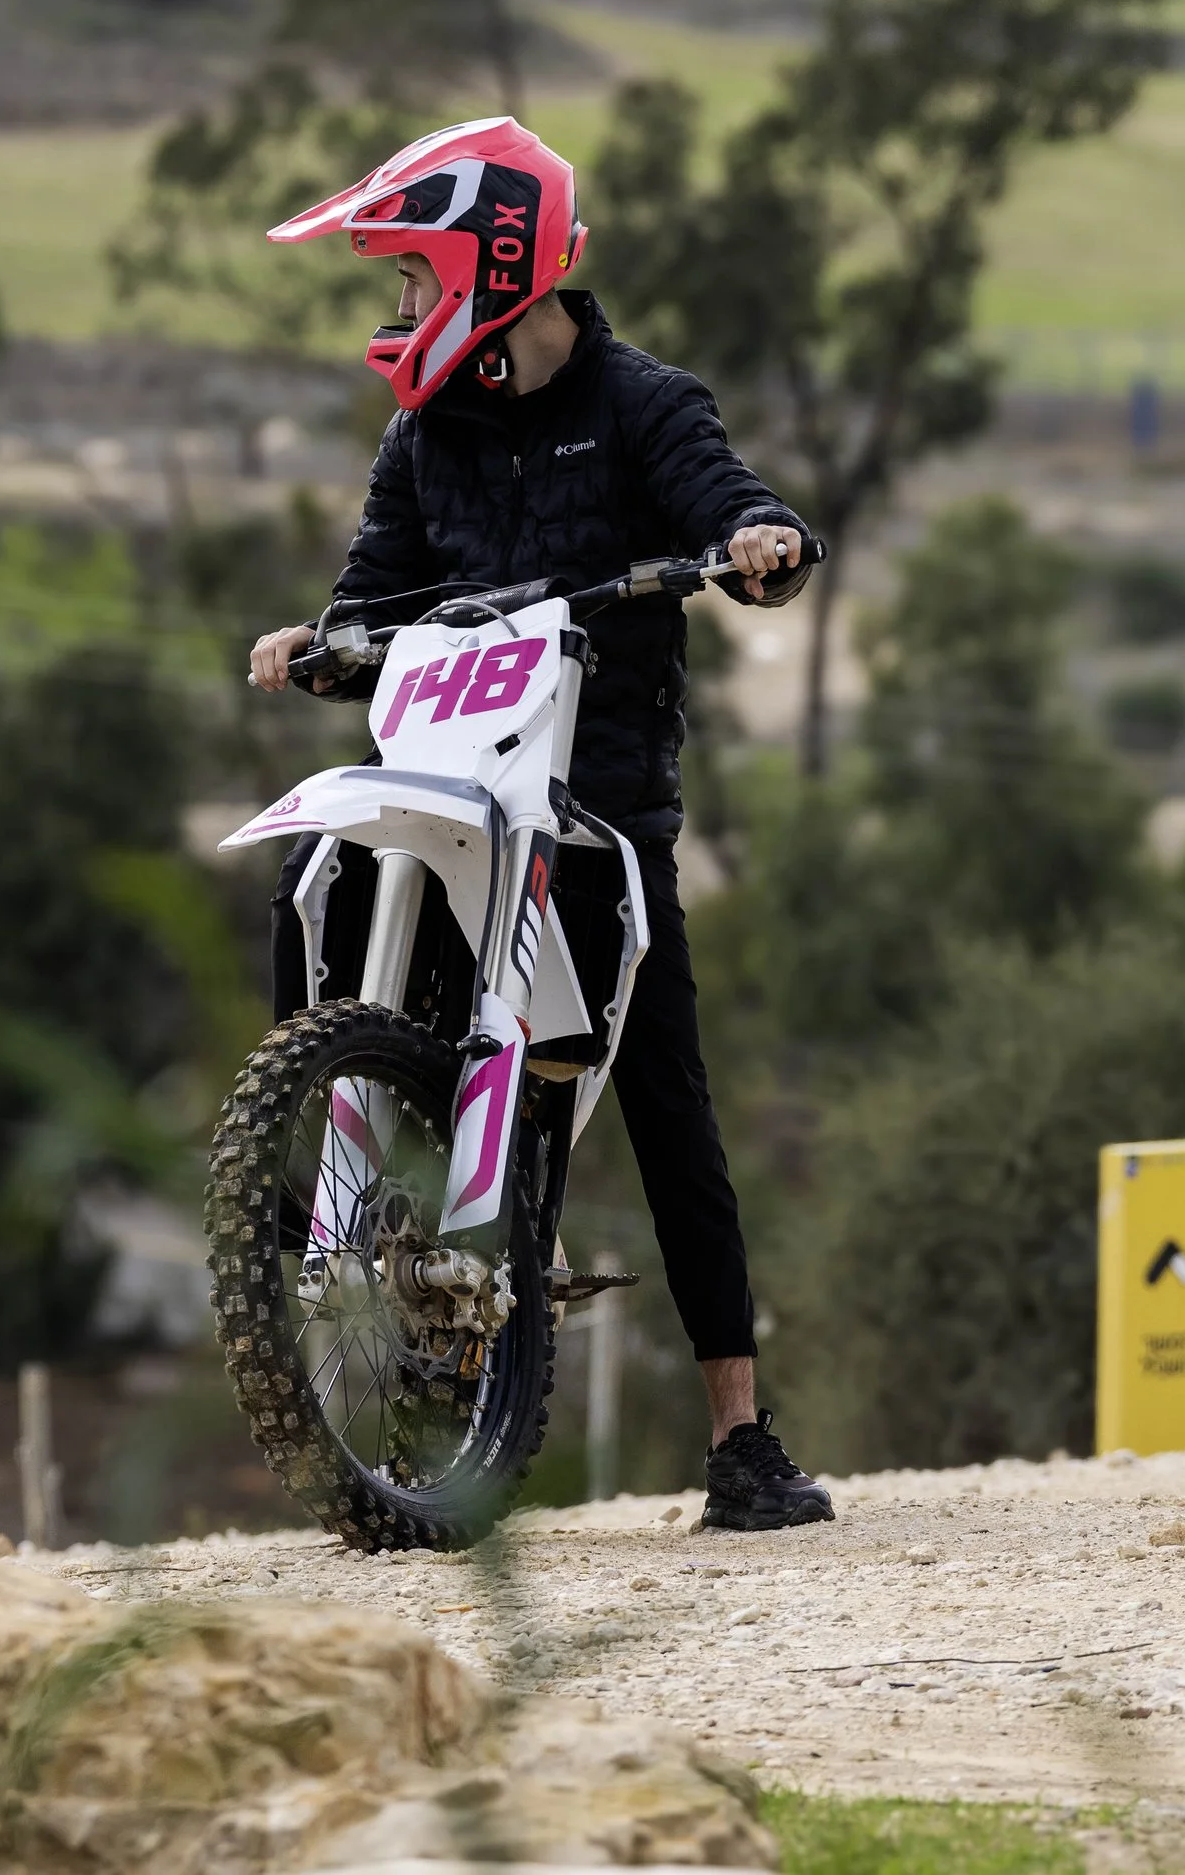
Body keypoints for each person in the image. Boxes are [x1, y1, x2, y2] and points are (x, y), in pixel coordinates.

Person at [245, 115, 834, 1532]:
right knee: (310, 886)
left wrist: (758, 542)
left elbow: (729, 503)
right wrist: (324, 641)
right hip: (445, 783)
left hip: (597, 802)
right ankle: (296, 1176)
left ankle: (742, 1436)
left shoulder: (645, 403)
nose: (396, 313)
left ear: (483, 267)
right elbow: (371, 590)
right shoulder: (426, 430)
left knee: (669, 1104)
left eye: (406, 281)